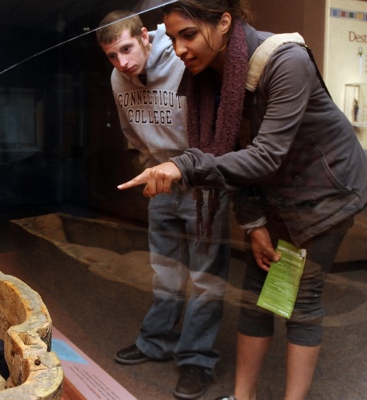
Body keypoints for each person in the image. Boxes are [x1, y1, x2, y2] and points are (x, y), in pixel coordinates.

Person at [118, 1, 367, 399]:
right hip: (273, 196)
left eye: (189, 34)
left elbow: (266, 153)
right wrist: (254, 223)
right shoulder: (211, 76)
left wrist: (182, 166)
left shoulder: (286, 60)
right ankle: (243, 396)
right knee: (256, 297)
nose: (179, 50)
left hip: (324, 194)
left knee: (300, 302)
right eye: (173, 37)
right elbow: (233, 151)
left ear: (224, 23)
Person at [97, 10, 231, 399]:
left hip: (202, 178)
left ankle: (196, 359)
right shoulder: (116, 78)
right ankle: (156, 341)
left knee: (206, 279)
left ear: (144, 36)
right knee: (165, 270)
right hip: (160, 179)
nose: (122, 62)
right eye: (112, 56)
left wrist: (194, 167)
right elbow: (130, 130)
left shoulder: (181, 59)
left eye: (126, 49)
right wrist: (153, 165)